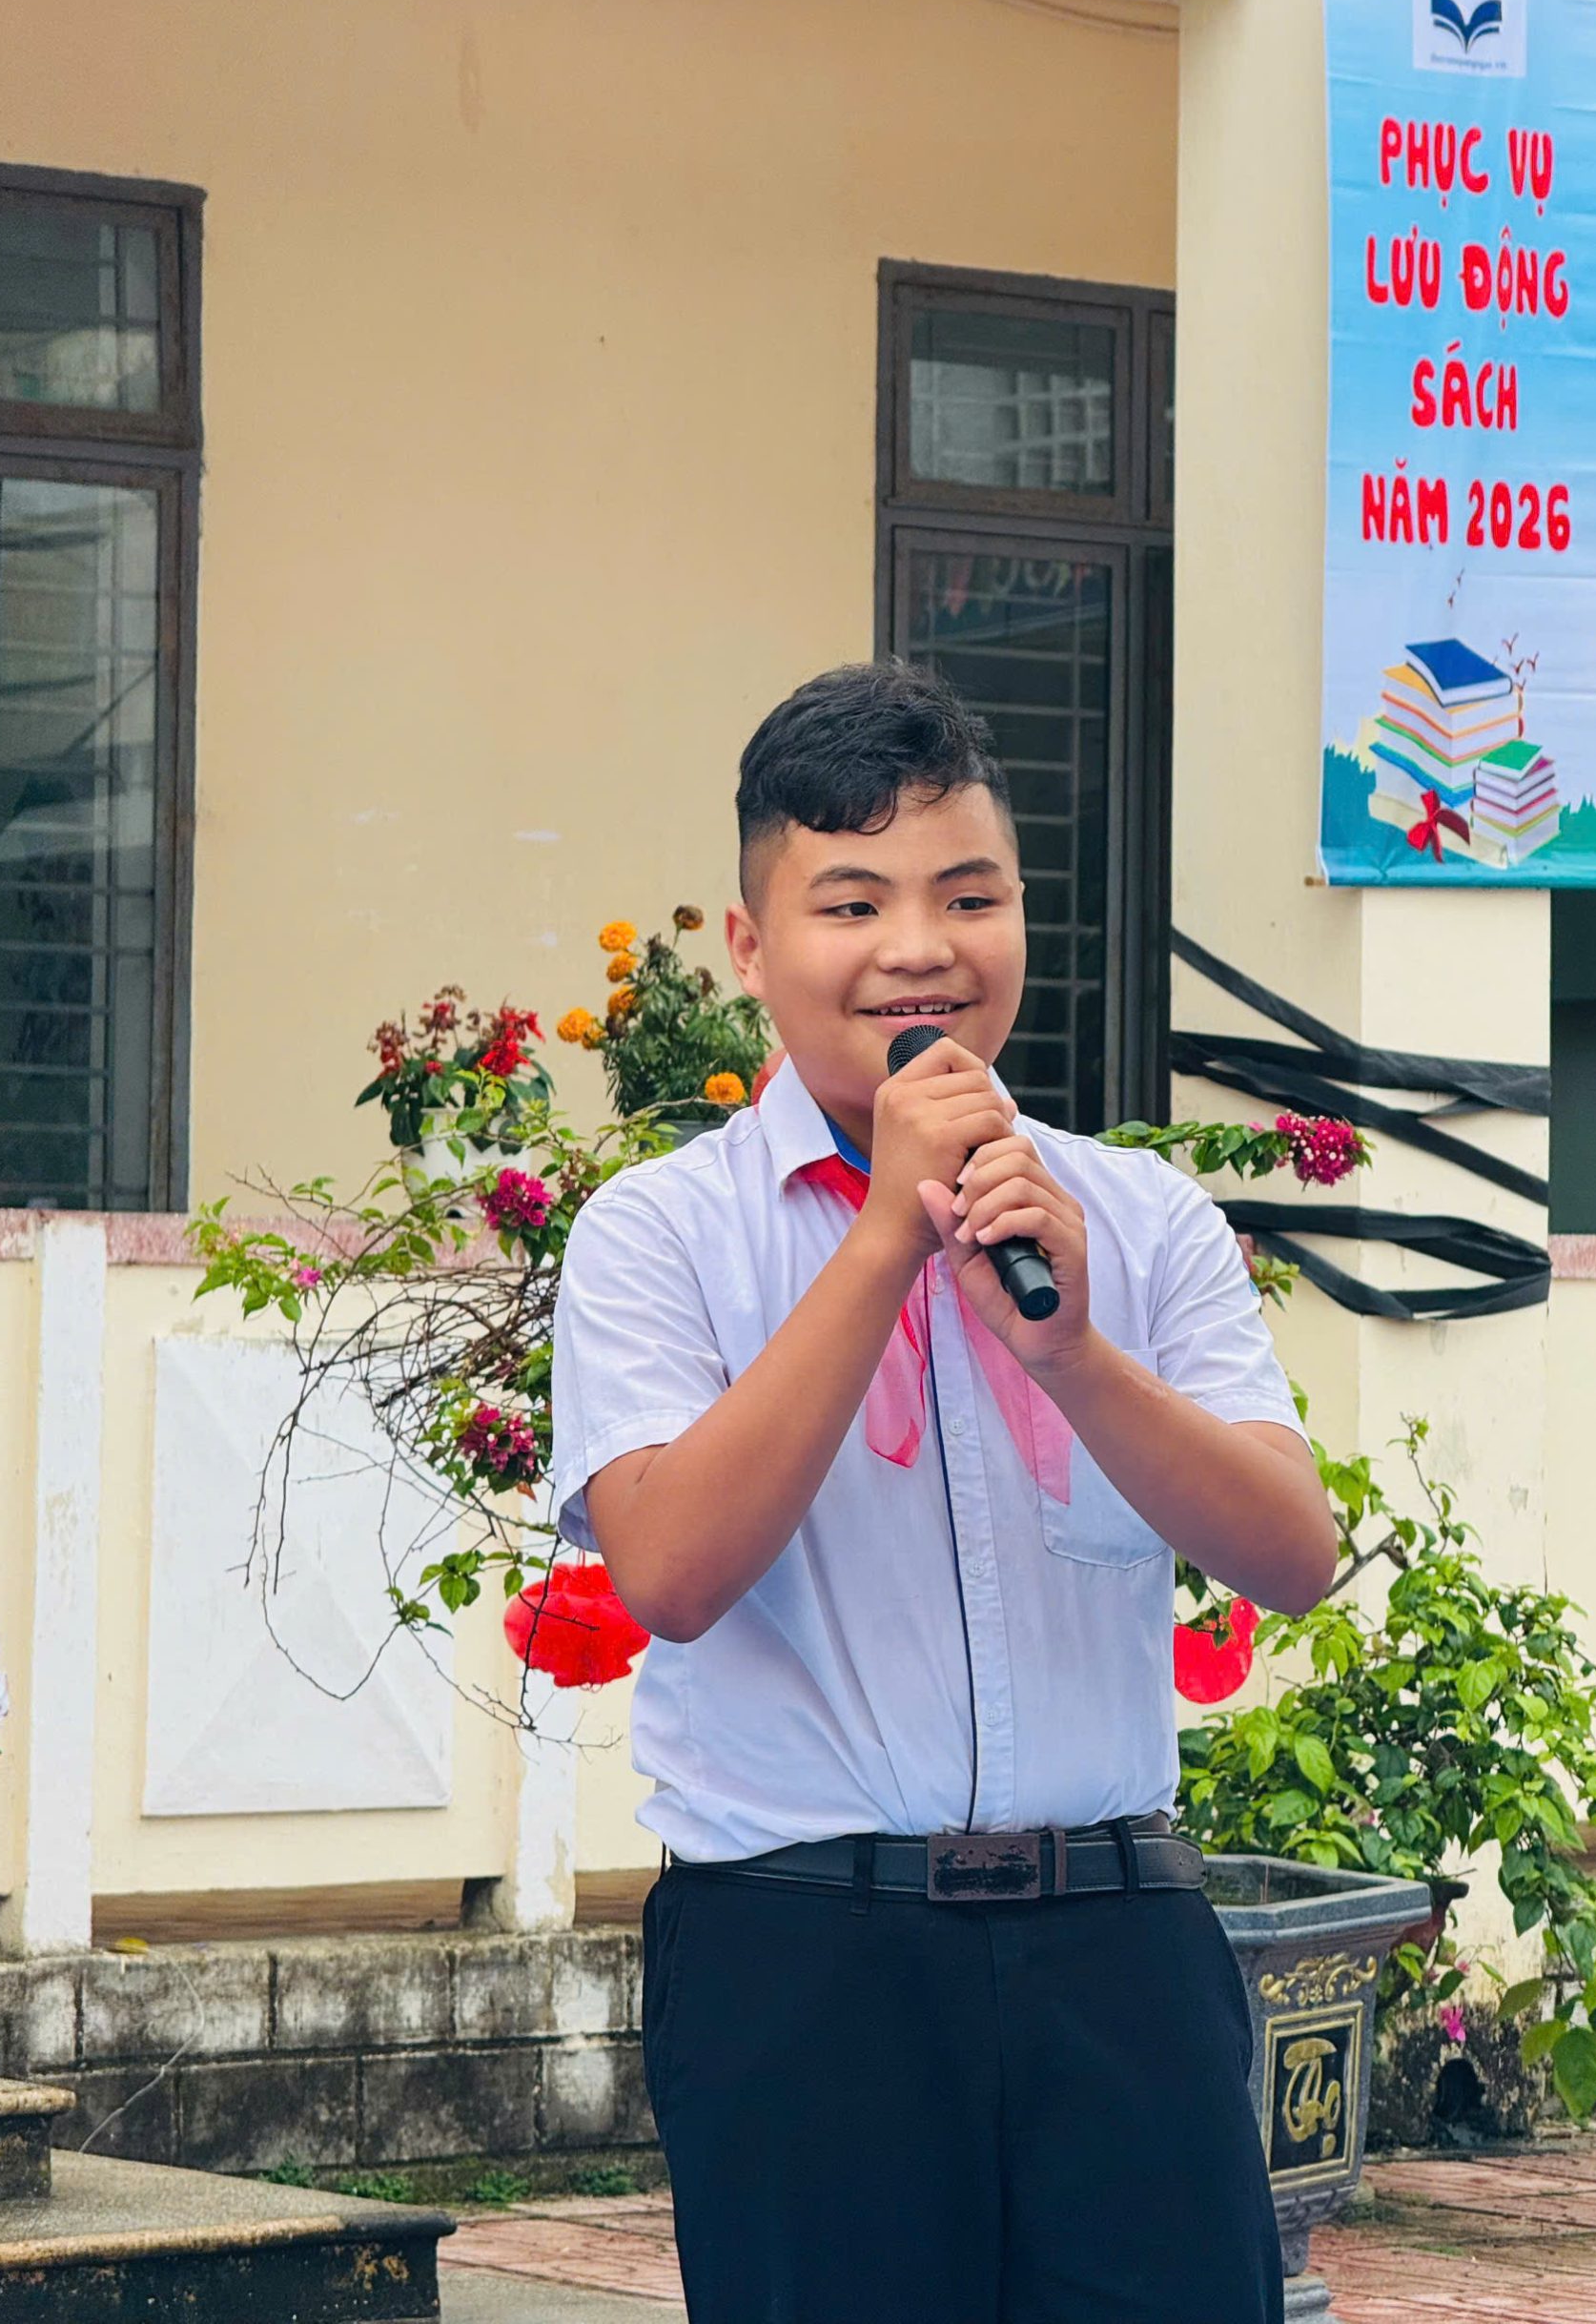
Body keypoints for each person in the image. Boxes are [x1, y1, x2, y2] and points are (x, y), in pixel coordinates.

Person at [550, 658, 1339, 2324]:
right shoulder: (660, 1234)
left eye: (970, 896)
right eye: (854, 902)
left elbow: (1292, 1553)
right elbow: (670, 1571)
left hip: (1120, 1950)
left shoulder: (1140, 1221)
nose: (921, 947)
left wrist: (1073, 1356)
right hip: (805, 1961)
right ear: (751, 945)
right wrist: (880, 1235)